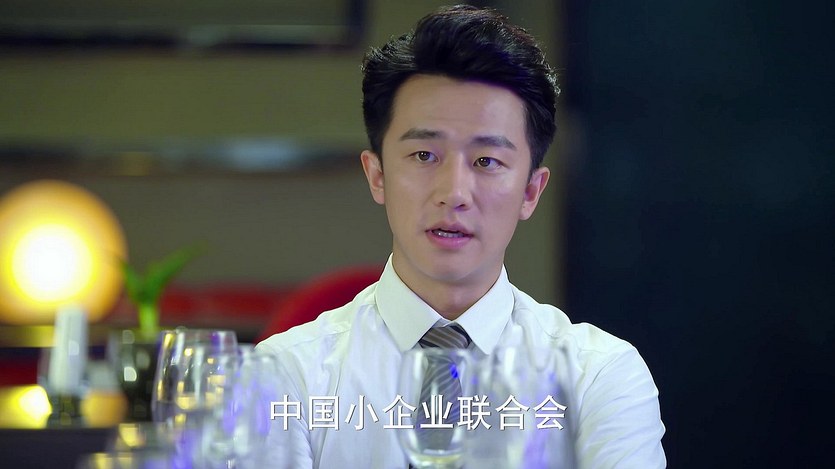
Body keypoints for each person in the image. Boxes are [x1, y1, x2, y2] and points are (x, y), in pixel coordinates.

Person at [256, 5, 665, 468]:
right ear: (377, 175)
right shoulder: (288, 374)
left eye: (487, 161)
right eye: (424, 155)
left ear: (530, 191)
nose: (453, 193)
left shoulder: (598, 376)